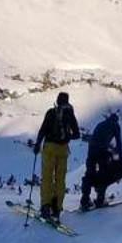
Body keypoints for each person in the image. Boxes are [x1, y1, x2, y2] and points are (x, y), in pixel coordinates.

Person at [32, 92, 81, 220]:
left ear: (57, 100)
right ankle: (57, 209)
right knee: (60, 180)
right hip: (63, 150)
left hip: (49, 148)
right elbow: (77, 134)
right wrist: (67, 136)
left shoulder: (51, 112)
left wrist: (37, 144)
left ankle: (45, 207)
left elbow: (42, 130)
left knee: (47, 178)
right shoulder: (70, 114)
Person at [78, 112, 122, 211]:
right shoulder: (115, 126)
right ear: (116, 120)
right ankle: (100, 200)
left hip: (92, 149)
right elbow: (119, 143)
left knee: (89, 173)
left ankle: (84, 200)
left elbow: (94, 137)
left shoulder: (100, 124)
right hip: (102, 150)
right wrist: (121, 159)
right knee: (103, 173)